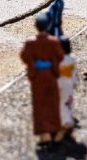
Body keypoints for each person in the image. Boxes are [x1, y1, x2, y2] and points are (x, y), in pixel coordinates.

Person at [21, 12, 65, 147]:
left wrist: (34, 63)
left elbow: (24, 56)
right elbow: (60, 56)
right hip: (50, 73)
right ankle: (54, 129)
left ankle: (44, 133)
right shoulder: (53, 41)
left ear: (36, 26)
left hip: (38, 74)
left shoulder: (30, 43)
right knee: (52, 101)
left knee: (39, 103)